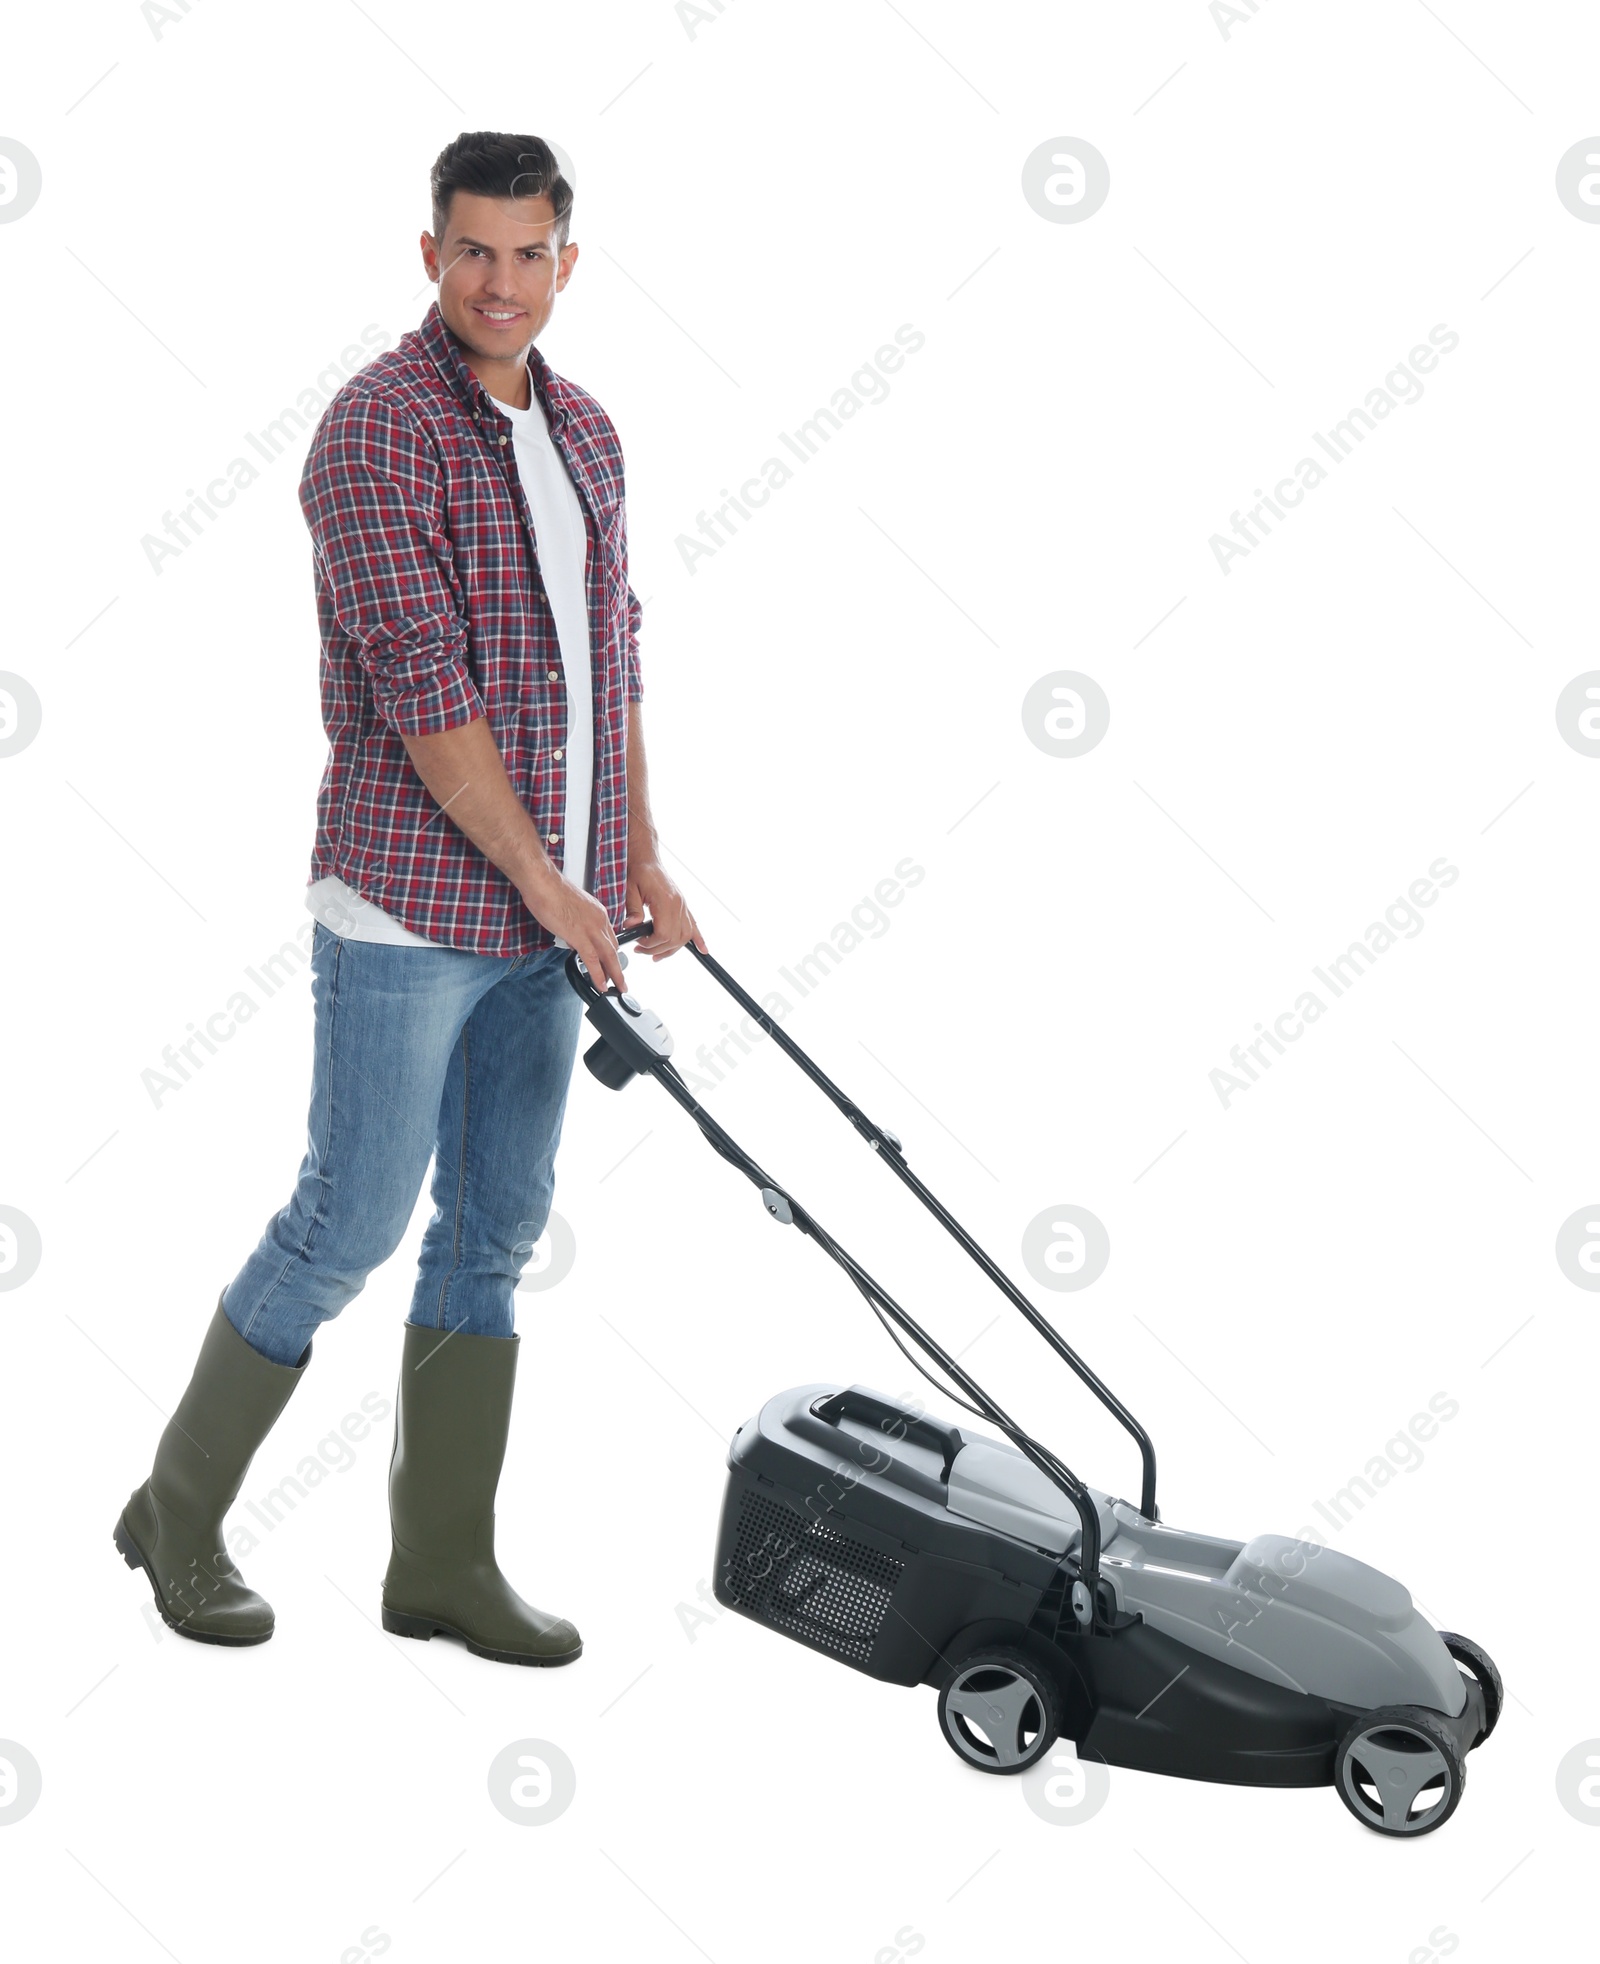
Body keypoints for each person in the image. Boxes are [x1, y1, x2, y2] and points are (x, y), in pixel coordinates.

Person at [113, 130, 702, 1667]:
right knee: (345, 1222)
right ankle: (176, 1511)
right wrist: (555, 891)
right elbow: (430, 701)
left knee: (494, 1232)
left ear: (567, 264)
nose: (500, 283)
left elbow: (612, 660)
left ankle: (439, 1563)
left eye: (528, 254)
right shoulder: (377, 432)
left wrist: (633, 859)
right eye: (471, 251)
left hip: (551, 915)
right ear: (428, 256)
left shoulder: (588, 435)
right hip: (414, 909)